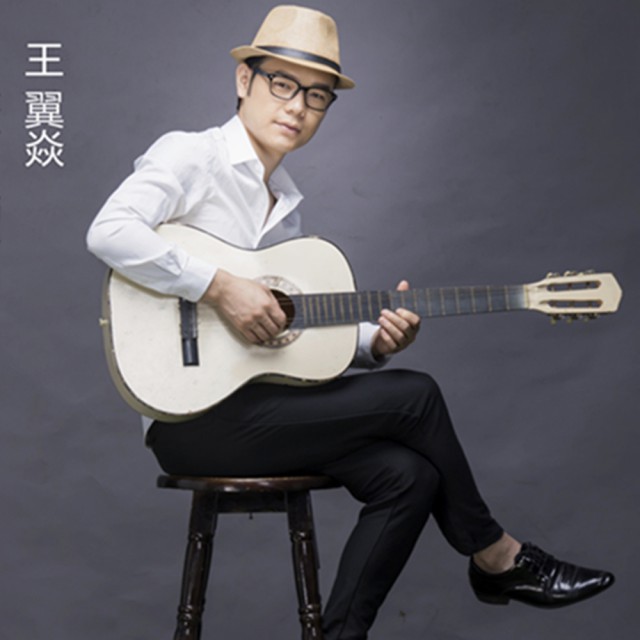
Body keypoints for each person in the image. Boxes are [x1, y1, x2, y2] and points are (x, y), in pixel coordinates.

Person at [87, 6, 614, 639]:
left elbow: (290, 340)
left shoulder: (287, 212)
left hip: (260, 406)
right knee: (416, 397)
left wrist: (377, 343)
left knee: (410, 476)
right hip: (190, 420)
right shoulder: (192, 156)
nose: (298, 107)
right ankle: (497, 557)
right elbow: (109, 232)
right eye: (283, 83)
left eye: (317, 96)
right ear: (243, 80)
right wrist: (220, 286)